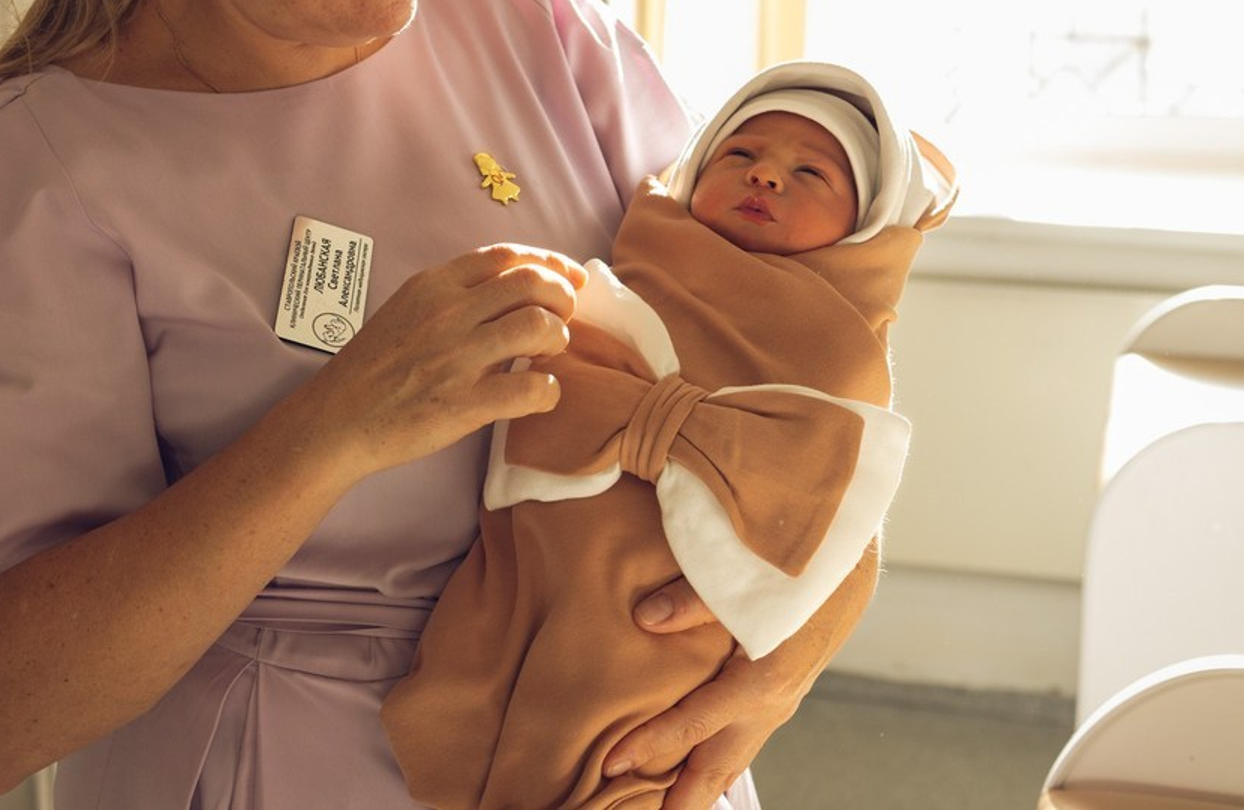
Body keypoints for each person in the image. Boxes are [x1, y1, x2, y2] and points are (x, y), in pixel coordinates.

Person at [0, 0, 893, 809]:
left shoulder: (536, 31)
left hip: (621, 754)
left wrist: (776, 670)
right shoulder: (44, 164)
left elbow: (800, 362)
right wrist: (336, 425)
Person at [381, 61, 957, 808]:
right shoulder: (655, 243)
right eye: (740, 155)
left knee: (625, 715)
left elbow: (833, 459)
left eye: (811, 174)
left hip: (688, 562)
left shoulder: (837, 335)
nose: (766, 178)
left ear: (863, 228)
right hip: (549, 520)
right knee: (478, 666)